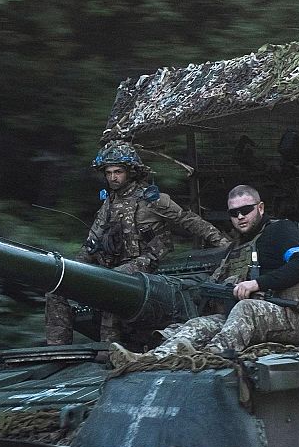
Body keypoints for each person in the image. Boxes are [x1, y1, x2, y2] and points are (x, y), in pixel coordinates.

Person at [44, 141, 229, 345]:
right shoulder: (108, 204)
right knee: (57, 285)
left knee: (110, 281)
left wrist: (223, 244)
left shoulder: (151, 198)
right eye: (109, 173)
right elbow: (92, 242)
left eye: (118, 172)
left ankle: (108, 347)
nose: (113, 177)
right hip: (114, 265)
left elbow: (187, 219)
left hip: (147, 262)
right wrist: (73, 270)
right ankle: (57, 348)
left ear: (130, 172)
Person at [111, 184, 299, 364]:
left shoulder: (280, 231)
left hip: (292, 318)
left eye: (246, 210)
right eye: (234, 213)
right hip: (242, 318)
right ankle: (151, 359)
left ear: (260, 208)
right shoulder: (235, 248)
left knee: (246, 308)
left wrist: (257, 284)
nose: (240, 217)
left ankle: (210, 357)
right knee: (198, 324)